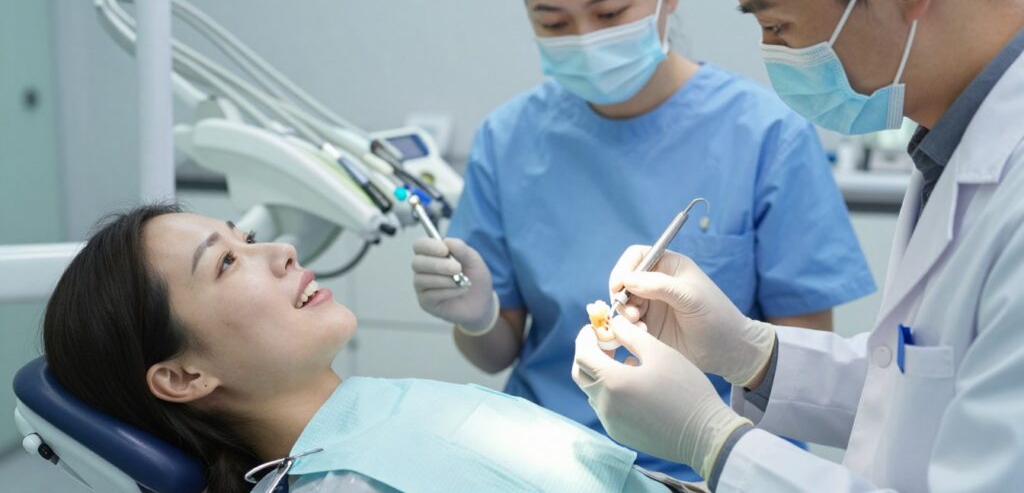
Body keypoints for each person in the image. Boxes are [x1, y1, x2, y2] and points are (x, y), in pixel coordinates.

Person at [409, 0, 874, 480]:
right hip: (542, 460)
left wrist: (710, 439)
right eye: (554, 23)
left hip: (710, 469)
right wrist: (478, 319)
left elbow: (803, 370)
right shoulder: (509, 139)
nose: (586, 38)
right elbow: (496, 354)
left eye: (610, 12)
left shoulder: (766, 134)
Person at [572, 0, 1024, 491]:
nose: (773, 53)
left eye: (778, 25)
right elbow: (925, 378)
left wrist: (711, 441)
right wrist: (751, 353)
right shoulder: (955, 143)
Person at [43, 203, 706, 493]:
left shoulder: (368, 413)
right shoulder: (341, 480)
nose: (280, 251)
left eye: (244, 237)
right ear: (183, 375)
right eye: (224, 263)